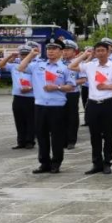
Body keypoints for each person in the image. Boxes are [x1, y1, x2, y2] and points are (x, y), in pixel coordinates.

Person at [17, 39, 75, 173]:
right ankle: (44, 163)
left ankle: (56, 163)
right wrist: (31, 55)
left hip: (57, 106)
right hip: (40, 105)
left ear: (61, 51)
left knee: (57, 136)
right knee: (41, 135)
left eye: (54, 49)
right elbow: (21, 68)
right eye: (49, 49)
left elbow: (70, 86)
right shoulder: (38, 65)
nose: (51, 51)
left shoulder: (65, 68)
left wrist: (57, 87)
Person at [70, 42, 112, 175]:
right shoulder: (90, 66)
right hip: (93, 104)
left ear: (108, 52)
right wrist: (84, 55)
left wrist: (108, 87)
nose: (100, 53)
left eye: (103, 50)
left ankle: (107, 163)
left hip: (108, 103)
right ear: (95, 52)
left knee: (108, 135)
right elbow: (71, 66)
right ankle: (97, 163)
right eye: (98, 51)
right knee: (94, 136)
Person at [0, 45, 36, 150]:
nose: (24, 57)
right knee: (19, 120)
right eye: (22, 55)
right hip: (18, 97)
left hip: (31, 96)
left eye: (26, 54)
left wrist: (31, 88)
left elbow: (42, 81)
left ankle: (30, 141)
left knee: (30, 120)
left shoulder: (35, 66)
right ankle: (21, 141)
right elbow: (0, 65)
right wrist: (10, 56)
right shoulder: (14, 66)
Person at [62, 40, 84, 150]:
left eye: (67, 50)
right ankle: (62, 139)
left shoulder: (78, 63)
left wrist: (71, 84)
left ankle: (71, 140)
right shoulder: (58, 63)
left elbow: (84, 79)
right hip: (59, 93)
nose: (65, 52)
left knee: (72, 117)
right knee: (60, 117)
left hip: (72, 93)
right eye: (63, 50)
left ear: (74, 52)